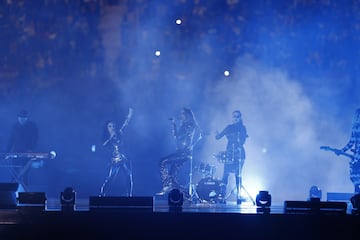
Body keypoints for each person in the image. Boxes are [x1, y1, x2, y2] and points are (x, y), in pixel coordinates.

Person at [157, 107, 199, 196]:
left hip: (184, 153)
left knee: (162, 161)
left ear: (187, 115)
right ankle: (186, 195)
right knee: (172, 177)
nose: (180, 116)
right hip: (180, 152)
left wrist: (175, 125)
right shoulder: (184, 125)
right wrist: (174, 125)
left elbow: (181, 137)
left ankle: (166, 186)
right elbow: (176, 138)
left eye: (182, 114)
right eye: (180, 114)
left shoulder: (190, 125)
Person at [215, 110, 248, 203]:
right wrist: (216, 133)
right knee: (225, 174)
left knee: (238, 174)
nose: (235, 118)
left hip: (239, 154)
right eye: (234, 116)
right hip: (229, 153)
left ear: (240, 117)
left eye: (237, 116)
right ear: (232, 117)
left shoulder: (243, 128)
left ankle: (239, 195)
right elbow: (218, 137)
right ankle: (222, 195)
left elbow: (242, 140)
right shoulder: (228, 127)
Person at [100, 108, 133, 197]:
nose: (112, 128)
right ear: (107, 128)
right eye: (110, 126)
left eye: (113, 126)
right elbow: (104, 145)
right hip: (115, 160)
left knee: (128, 177)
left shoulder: (120, 133)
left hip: (125, 158)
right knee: (110, 177)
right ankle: (102, 194)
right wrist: (110, 138)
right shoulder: (107, 138)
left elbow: (126, 124)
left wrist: (130, 115)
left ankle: (129, 195)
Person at [6, 109, 39, 190]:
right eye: (20, 117)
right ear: (18, 118)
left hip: (28, 153)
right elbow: (11, 140)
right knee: (14, 173)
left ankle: (25, 195)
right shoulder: (15, 127)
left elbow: (35, 139)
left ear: (27, 118)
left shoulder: (32, 127)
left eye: (24, 117)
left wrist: (31, 149)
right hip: (16, 153)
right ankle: (12, 193)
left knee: (24, 174)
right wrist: (7, 152)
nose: (22, 119)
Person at [338, 108, 360, 193]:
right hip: (356, 158)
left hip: (357, 157)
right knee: (355, 177)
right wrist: (342, 150)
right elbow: (351, 142)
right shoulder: (355, 127)